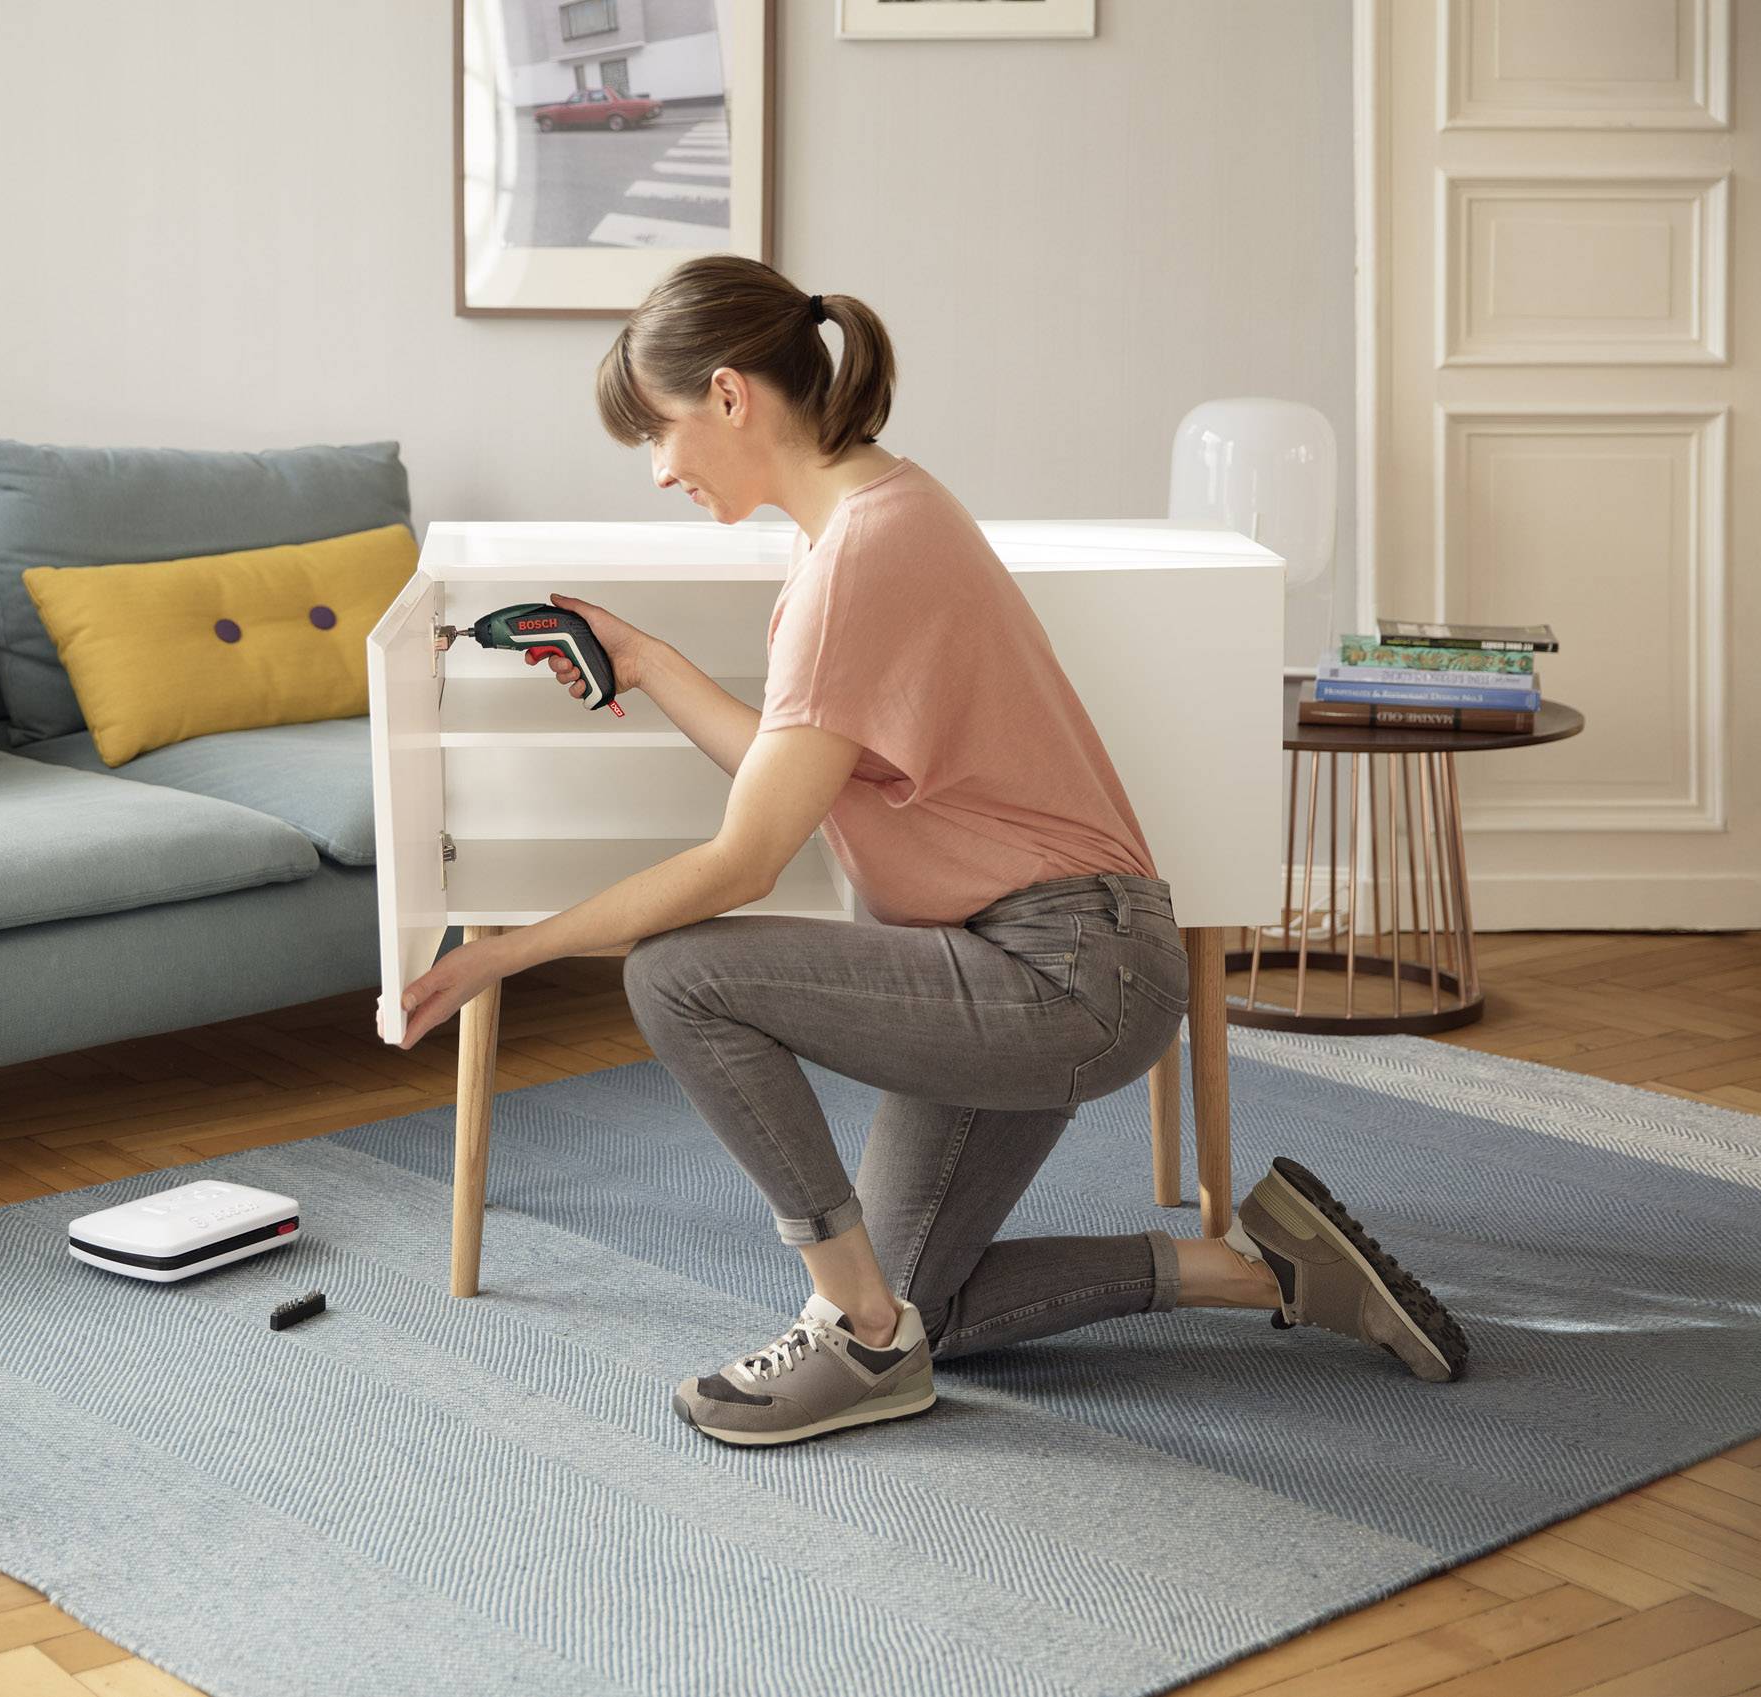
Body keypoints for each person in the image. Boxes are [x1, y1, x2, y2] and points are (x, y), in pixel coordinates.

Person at [389, 256, 1467, 1448]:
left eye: (663, 429)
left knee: (675, 972)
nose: (661, 468)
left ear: (733, 395)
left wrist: (505, 954)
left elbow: (745, 860)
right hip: (1038, 955)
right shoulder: (872, 518)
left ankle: (857, 1336)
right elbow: (798, 773)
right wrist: (644, 660)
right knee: (924, 1301)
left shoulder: (858, 557)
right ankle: (1259, 1266)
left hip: (1063, 971)